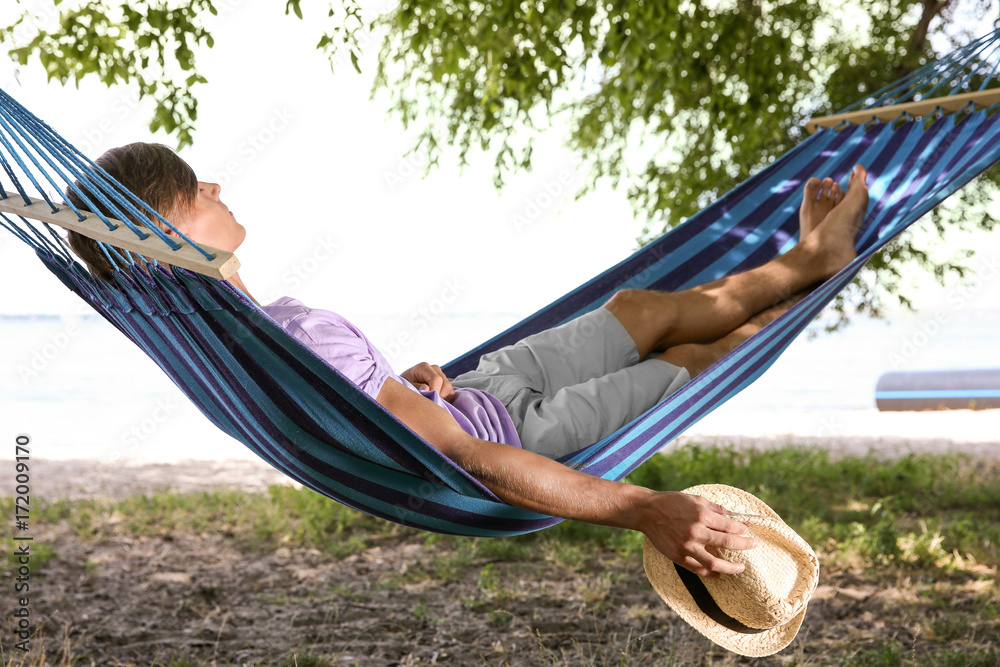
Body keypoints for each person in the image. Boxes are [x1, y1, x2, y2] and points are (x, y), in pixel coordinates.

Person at [65, 143, 869, 578]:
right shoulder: (288, 346)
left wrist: (405, 381)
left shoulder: (264, 337)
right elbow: (462, 455)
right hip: (519, 431)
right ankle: (813, 266)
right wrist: (640, 507)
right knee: (697, 357)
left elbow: (385, 411)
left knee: (637, 311)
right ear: (164, 240)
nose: (213, 180)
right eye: (190, 187)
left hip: (479, 387)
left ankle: (805, 259)